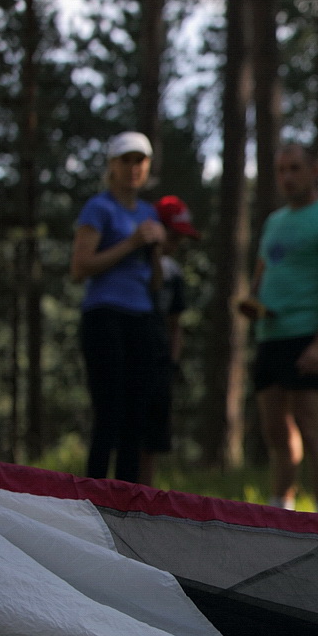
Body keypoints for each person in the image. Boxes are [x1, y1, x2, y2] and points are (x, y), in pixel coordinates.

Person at [241, 143, 318, 516]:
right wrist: (252, 300)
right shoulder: (274, 222)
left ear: (314, 170)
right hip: (270, 336)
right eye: (281, 170)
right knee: (275, 429)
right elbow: (263, 271)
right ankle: (281, 510)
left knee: (311, 425)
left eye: (294, 168)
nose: (287, 177)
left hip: (308, 334)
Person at [70, 131, 168, 484]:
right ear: (112, 165)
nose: (133, 168)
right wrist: (131, 242)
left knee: (136, 416)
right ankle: (93, 495)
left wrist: (156, 250)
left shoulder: (149, 213)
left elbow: (155, 281)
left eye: (139, 160)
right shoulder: (99, 208)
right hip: (104, 316)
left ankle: (125, 500)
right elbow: (79, 268)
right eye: (125, 160)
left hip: (141, 317)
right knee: (109, 411)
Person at [138, 195, 201, 487]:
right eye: (173, 237)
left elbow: (175, 324)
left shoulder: (174, 274)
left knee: (152, 436)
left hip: (159, 360)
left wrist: (172, 361)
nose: (175, 245)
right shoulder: (133, 264)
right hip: (131, 353)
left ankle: (143, 494)